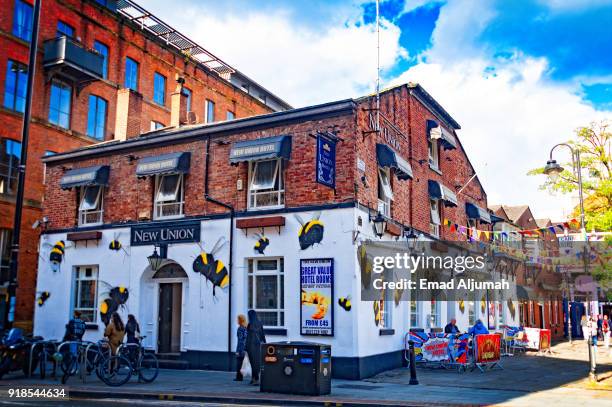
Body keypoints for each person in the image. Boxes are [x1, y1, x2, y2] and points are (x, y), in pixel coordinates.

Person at [246, 310, 266, 385]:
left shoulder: (250, 324)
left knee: (252, 363)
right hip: (258, 346)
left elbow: (248, 337)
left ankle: (255, 379)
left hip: (251, 346)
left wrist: (246, 347)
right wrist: (265, 344)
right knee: (257, 363)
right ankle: (255, 378)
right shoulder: (260, 323)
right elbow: (262, 335)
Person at [234, 314, 248, 381]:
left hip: (241, 348)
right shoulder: (246, 328)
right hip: (246, 348)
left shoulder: (240, 328)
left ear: (240, 320)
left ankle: (239, 377)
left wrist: (237, 351)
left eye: (237, 319)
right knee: (243, 363)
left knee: (239, 363)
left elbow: (240, 340)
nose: (237, 320)